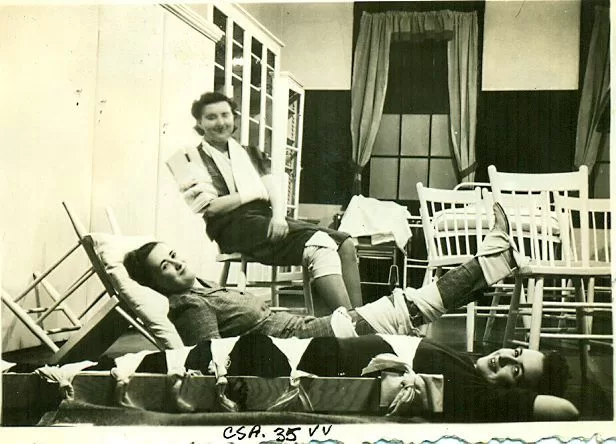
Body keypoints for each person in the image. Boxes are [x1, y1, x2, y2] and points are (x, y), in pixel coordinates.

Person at [125, 202, 517, 346]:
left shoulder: (206, 288)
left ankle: (493, 263)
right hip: (307, 342)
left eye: (172, 255)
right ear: (156, 283)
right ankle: (492, 260)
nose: (176, 263)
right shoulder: (188, 306)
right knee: (406, 307)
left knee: (409, 308)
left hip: (310, 330)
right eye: (164, 267)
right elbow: (211, 360)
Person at [166, 91, 361, 311]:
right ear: (199, 123)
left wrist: (278, 217)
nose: (220, 123)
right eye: (211, 117)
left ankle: (360, 320)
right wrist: (254, 192)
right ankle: (347, 320)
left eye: (225, 115)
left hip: (265, 218)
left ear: (234, 117)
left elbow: (272, 190)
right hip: (232, 227)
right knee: (320, 243)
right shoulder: (189, 159)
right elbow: (210, 208)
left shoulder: (250, 153)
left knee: (345, 243)